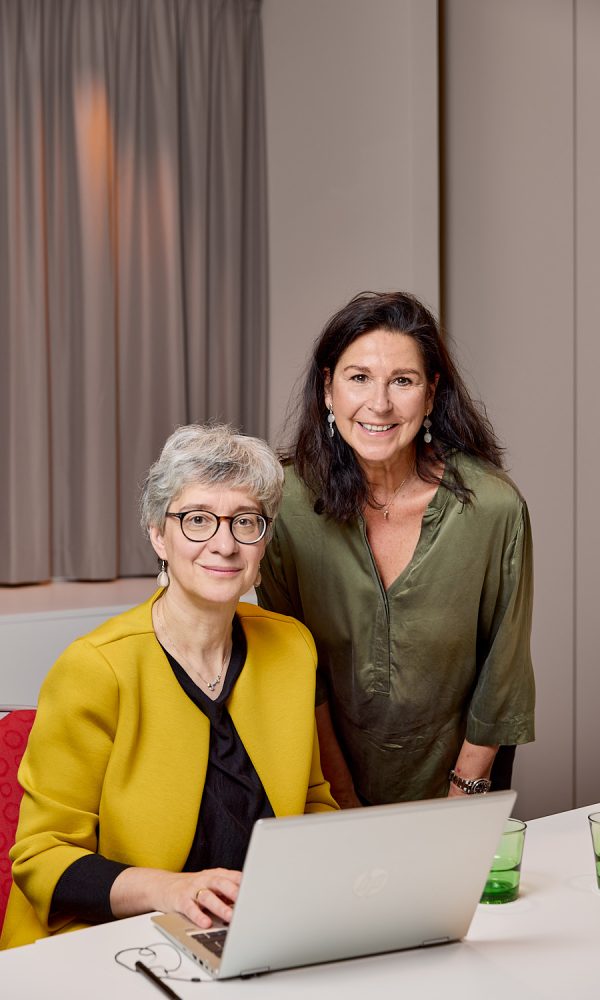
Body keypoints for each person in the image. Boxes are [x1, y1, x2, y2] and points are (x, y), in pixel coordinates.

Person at [1, 424, 337, 950]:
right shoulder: (96, 667)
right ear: (159, 535)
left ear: (263, 540)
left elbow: (313, 799)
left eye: (245, 521)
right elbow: (42, 859)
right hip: (110, 943)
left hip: (254, 932)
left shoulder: (293, 648)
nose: (224, 544)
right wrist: (174, 891)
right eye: (197, 520)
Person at [257, 291, 535, 808]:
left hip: (462, 777)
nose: (379, 404)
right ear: (327, 389)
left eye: (401, 381)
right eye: (358, 377)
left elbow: (504, 669)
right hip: (322, 783)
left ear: (430, 395)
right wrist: (342, 801)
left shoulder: (493, 508)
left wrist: (462, 798)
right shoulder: (286, 506)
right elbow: (297, 673)